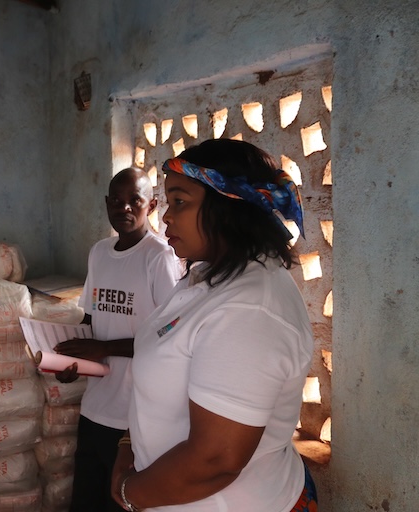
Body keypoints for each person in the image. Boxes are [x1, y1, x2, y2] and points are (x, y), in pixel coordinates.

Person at [111, 138, 317, 512]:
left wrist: (130, 494)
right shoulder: (207, 275)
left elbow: (214, 462)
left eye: (180, 202)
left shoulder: (250, 310)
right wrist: (130, 445)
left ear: (227, 206)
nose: (166, 217)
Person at [54, 167, 181, 512]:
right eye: (116, 201)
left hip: (134, 417)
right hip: (96, 407)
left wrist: (105, 349)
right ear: (106, 203)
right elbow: (92, 320)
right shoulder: (99, 252)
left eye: (134, 201)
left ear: (151, 205)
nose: (123, 208)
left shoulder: (159, 258)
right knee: (86, 501)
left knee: (121, 503)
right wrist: (73, 361)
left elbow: (172, 336)